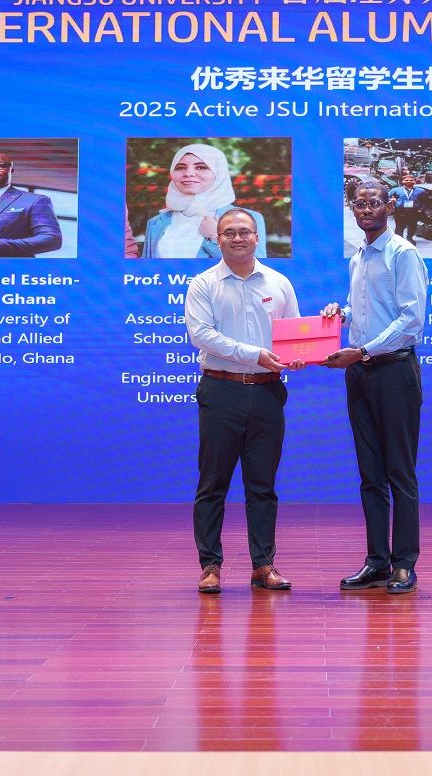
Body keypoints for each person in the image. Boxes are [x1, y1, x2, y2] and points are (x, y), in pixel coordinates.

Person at [185, 208, 305, 595]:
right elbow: (201, 335)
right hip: (221, 391)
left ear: (257, 237)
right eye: (229, 232)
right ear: (217, 239)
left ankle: (263, 565)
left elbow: (292, 335)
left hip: (268, 392)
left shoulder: (279, 282)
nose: (237, 238)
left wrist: (299, 356)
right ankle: (210, 566)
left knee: (263, 486)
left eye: (245, 231)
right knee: (213, 484)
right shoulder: (203, 284)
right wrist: (253, 354)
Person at [321, 179, 428, 595]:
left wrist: (362, 350)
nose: (366, 209)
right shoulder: (358, 257)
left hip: (394, 371)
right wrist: (341, 313)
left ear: (390, 206)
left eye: (374, 203)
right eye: (359, 204)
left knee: (399, 472)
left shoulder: (403, 253)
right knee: (370, 474)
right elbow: (366, 308)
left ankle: (404, 564)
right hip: (361, 372)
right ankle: (377, 562)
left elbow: (410, 320)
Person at [143, 143, 266, 259]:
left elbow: (256, 268)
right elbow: (144, 268)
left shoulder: (247, 219)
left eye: (201, 167)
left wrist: (215, 236)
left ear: (218, 172)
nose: (188, 173)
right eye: (180, 168)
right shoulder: (156, 223)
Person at [388, 174, 424, 243]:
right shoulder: (395, 190)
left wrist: (421, 209)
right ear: (402, 181)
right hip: (400, 211)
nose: (409, 181)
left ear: (415, 181)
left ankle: (409, 238)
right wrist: (391, 200)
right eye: (406, 180)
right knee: (399, 226)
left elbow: (424, 201)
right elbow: (387, 197)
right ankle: (399, 240)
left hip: (414, 211)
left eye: (411, 180)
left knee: (412, 226)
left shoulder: (421, 191)